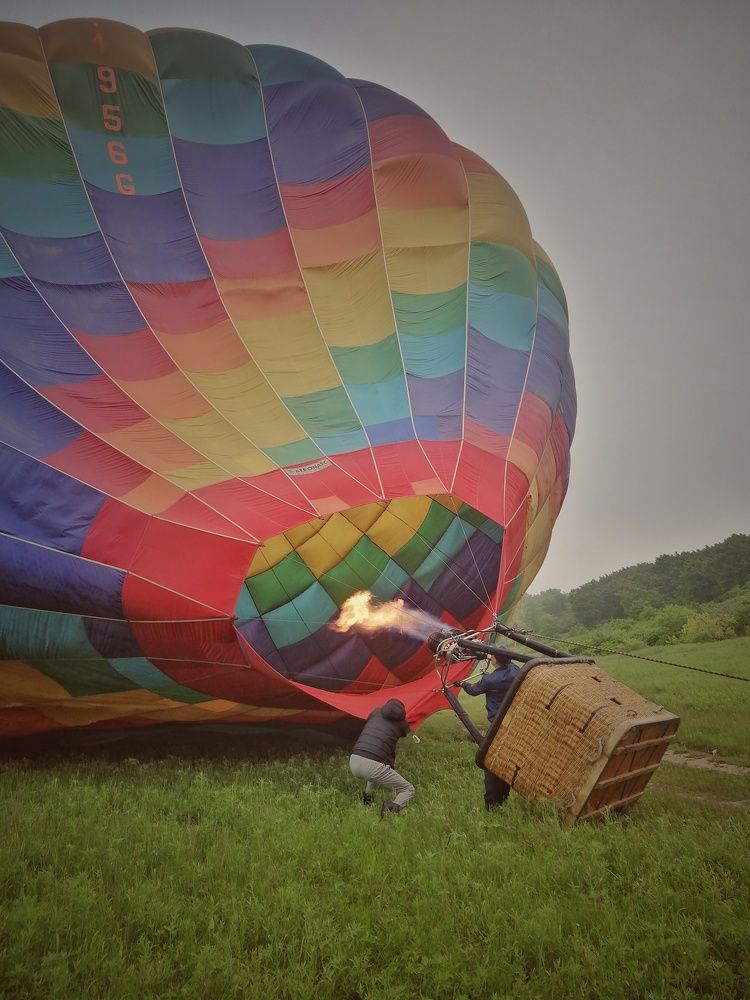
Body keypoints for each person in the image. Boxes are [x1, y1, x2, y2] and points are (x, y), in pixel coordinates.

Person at [458, 651, 521, 809]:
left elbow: (473, 690)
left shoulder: (490, 680)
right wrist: (490, 656)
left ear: (495, 660)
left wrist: (462, 683)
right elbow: (504, 662)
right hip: (513, 723)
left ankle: (492, 804)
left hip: (497, 725)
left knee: (491, 761)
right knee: (506, 759)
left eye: (492, 656)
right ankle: (504, 797)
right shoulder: (515, 670)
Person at [349, 698, 415, 817]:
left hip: (354, 760)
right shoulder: (401, 723)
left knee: (373, 774)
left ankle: (366, 800)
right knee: (408, 789)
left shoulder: (375, 713)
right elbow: (405, 732)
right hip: (373, 766)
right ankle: (389, 811)